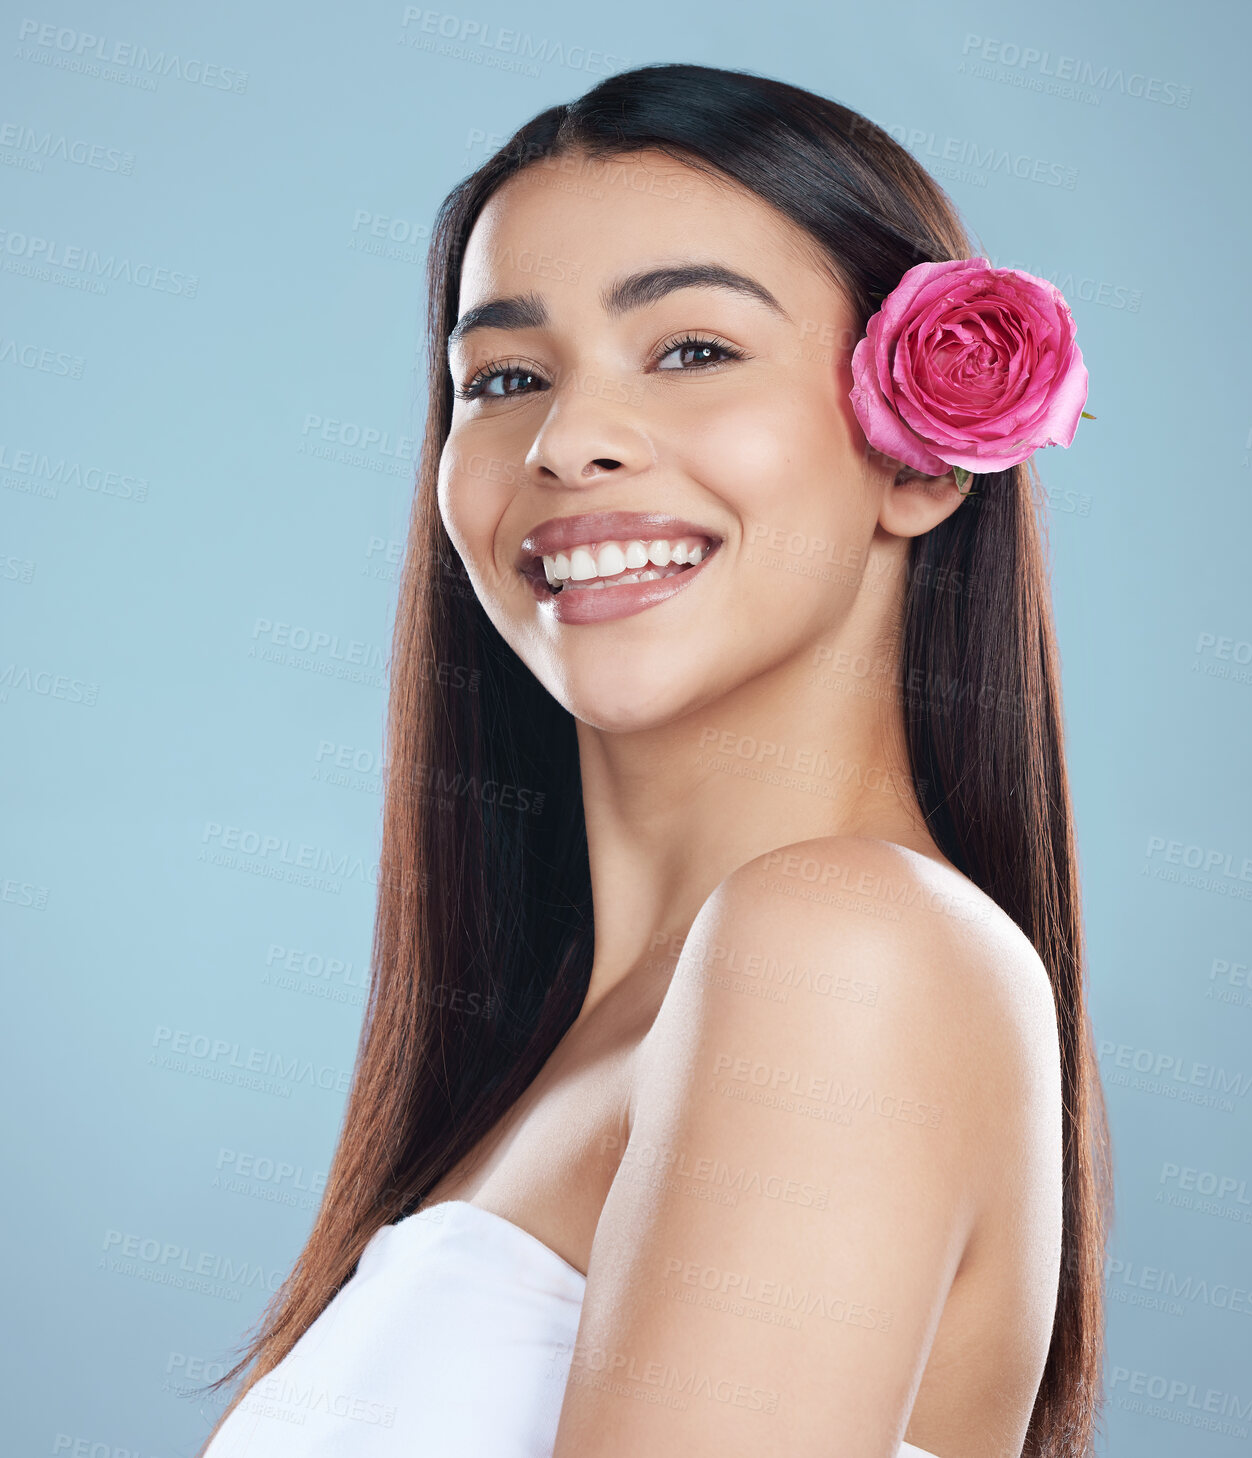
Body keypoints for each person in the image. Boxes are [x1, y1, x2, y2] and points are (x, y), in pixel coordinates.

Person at [195, 61, 1112, 1458]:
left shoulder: (846, 948)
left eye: (692, 350)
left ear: (926, 457)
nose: (569, 444)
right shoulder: (564, 1050)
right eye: (502, 379)